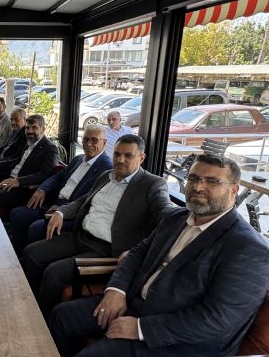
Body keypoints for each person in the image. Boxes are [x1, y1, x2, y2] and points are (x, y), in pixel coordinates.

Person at [48, 154, 269, 357]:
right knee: (62, 316)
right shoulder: (176, 218)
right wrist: (116, 290)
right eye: (193, 178)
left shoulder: (248, 249)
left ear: (233, 191)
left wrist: (141, 328)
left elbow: (216, 320)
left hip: (185, 349)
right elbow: (137, 253)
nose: (198, 187)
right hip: (135, 305)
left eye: (211, 181)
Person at [23, 134, 173, 319]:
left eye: (128, 155)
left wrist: (138, 250)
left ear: (141, 158)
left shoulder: (153, 184)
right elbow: (83, 200)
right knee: (32, 252)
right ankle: (29, 301)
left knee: (54, 273)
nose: (120, 160)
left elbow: (167, 217)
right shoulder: (106, 176)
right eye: (117, 154)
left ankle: (40, 320)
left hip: (107, 249)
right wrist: (61, 213)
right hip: (81, 236)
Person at [8, 124, 112, 254]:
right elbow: (59, 176)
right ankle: (17, 254)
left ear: (104, 143)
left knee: (36, 228)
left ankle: (26, 258)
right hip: (52, 202)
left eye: (94, 140)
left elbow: (90, 198)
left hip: (71, 214)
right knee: (17, 214)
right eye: (85, 139)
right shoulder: (78, 158)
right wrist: (42, 189)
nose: (88, 143)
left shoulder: (107, 168)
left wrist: (62, 209)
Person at [0, 114, 58, 208]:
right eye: (27, 128)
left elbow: (45, 174)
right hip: (9, 178)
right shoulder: (29, 143)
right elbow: (17, 160)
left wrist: (18, 181)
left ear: (43, 129)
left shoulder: (49, 148)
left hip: (23, 188)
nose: (29, 131)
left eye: (34, 127)